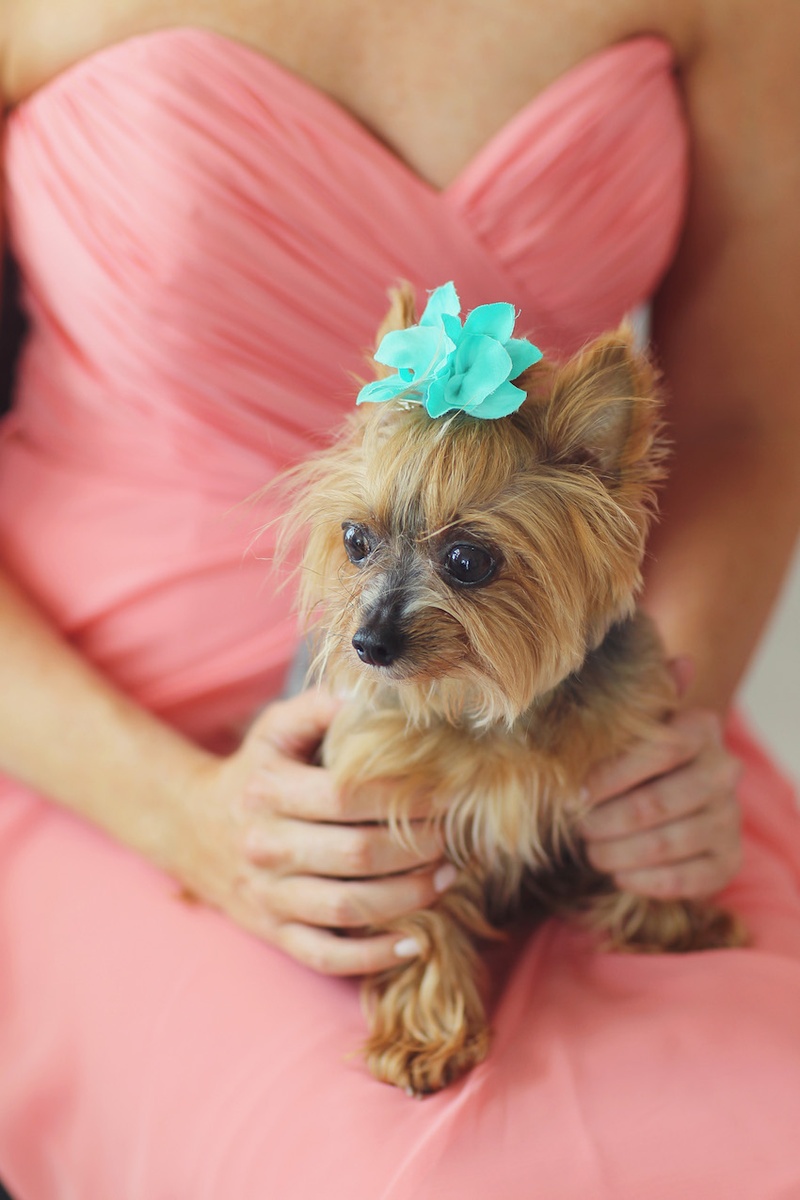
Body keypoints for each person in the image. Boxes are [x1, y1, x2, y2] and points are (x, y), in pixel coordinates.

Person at [0, 1, 797, 1196]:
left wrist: (655, 733)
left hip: (566, 664)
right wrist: (188, 820)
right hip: (90, 724)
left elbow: (742, 423)